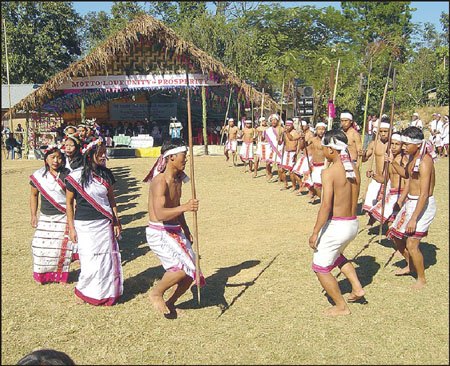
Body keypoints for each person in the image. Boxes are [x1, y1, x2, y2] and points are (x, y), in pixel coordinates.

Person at [143, 138, 205, 317]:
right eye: (183, 156)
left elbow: (176, 208)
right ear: (171, 158)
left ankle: (170, 302)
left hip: (175, 230)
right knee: (178, 271)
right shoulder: (159, 181)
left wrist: (185, 229)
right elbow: (161, 214)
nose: (185, 160)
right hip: (159, 232)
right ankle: (156, 293)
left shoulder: (178, 180)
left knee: (189, 276)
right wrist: (186, 206)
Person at [308, 129, 365, 316]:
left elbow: (325, 206)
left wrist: (315, 231)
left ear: (331, 150)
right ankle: (357, 288)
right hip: (353, 223)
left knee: (320, 267)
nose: (322, 150)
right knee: (338, 255)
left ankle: (341, 306)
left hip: (338, 225)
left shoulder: (329, 172)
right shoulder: (354, 169)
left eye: (324, 147)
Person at [65, 137, 123, 305]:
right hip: (84, 225)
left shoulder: (107, 175)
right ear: (90, 155)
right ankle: (84, 291)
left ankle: (105, 293)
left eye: (105, 153)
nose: (104, 157)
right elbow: (69, 203)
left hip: (104, 224)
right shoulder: (75, 177)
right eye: (100, 154)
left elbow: (112, 201)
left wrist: (117, 221)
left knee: (105, 260)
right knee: (89, 259)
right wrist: (71, 227)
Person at [387, 127, 436, 289]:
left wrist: (414, 218)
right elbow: (407, 175)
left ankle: (421, 278)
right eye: (403, 144)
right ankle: (410, 265)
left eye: (407, 144)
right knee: (395, 236)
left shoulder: (425, 161)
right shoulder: (412, 158)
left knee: (412, 243)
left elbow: (424, 194)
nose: (403, 147)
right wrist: (393, 161)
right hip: (410, 202)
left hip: (423, 205)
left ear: (417, 144)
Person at [30, 145, 72, 284]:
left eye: (59, 157)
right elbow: (34, 195)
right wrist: (33, 215)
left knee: (61, 248)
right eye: (53, 157)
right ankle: (41, 276)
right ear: (46, 159)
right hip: (45, 217)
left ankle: (61, 276)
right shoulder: (38, 176)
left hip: (64, 216)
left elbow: (73, 198)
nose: (56, 161)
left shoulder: (68, 174)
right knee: (40, 247)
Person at [366, 133, 408, 225]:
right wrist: (373, 175)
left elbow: (408, 182)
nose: (393, 147)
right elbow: (385, 180)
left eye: (397, 144)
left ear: (402, 146)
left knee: (392, 222)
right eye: (392, 144)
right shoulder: (388, 160)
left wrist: (401, 200)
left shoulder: (404, 160)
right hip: (391, 193)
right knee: (376, 213)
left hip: (400, 194)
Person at [361, 118, 391, 227]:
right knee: (371, 199)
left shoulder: (394, 144)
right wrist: (363, 154)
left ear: (390, 131)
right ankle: (372, 218)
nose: (383, 134)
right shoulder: (373, 144)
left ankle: (388, 224)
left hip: (390, 179)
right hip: (377, 177)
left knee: (387, 204)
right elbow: (365, 159)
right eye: (381, 131)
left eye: (385, 131)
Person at [304, 122, 327, 203]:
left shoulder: (327, 140)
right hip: (314, 165)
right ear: (316, 130)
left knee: (320, 185)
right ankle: (324, 200)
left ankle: (325, 202)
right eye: (319, 129)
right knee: (313, 185)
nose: (321, 131)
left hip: (324, 165)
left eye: (323, 129)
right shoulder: (312, 140)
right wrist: (302, 139)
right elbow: (304, 145)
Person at [279, 120, 301, 190]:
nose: (287, 127)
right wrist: (279, 136)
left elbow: (292, 139)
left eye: (289, 125)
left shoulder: (296, 132)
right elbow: (281, 142)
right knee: (281, 169)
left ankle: (294, 185)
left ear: (292, 125)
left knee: (291, 171)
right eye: (286, 125)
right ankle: (285, 184)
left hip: (293, 153)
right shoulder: (284, 133)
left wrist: (296, 154)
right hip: (286, 152)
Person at [264, 114, 283, 182]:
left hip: (279, 148)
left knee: (279, 164)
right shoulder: (268, 130)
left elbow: (284, 139)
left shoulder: (281, 129)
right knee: (268, 163)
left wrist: (280, 138)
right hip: (271, 148)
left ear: (278, 121)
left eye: (275, 120)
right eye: (272, 120)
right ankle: (269, 173)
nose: (274, 121)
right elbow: (266, 139)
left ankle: (280, 177)